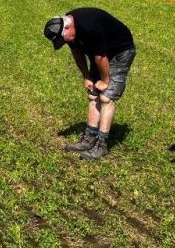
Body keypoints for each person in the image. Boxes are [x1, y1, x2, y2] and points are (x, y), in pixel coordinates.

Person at [44, 8, 137, 160]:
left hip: (120, 51)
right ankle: (89, 138)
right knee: (94, 95)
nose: (66, 42)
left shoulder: (89, 27)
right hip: (100, 52)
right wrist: (86, 76)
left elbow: (100, 57)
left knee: (106, 97)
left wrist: (105, 81)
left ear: (68, 28)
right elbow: (77, 52)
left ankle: (101, 145)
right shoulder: (68, 27)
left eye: (64, 38)